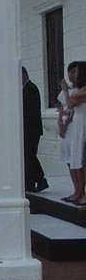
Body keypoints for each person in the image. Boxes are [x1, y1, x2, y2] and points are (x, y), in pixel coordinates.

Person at [59, 62, 86, 204]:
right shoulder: (77, 90)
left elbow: (70, 103)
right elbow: (66, 107)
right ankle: (78, 191)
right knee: (75, 158)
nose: (73, 75)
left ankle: (81, 192)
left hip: (83, 124)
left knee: (82, 158)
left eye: (76, 72)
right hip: (77, 124)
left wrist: (65, 90)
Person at [22, 67, 48, 192]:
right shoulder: (24, 89)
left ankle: (40, 179)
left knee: (30, 155)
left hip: (31, 129)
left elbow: (30, 111)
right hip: (27, 129)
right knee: (27, 156)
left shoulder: (31, 89)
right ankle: (30, 182)